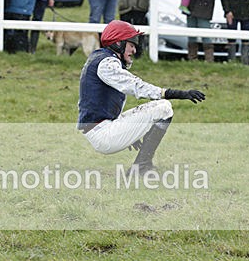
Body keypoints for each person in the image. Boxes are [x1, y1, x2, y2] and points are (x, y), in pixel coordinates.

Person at [77, 20, 206, 177]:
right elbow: (136, 86)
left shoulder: (100, 58)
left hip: (100, 127)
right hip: (102, 134)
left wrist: (132, 132)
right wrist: (177, 93)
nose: (134, 49)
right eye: (131, 44)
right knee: (164, 108)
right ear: (118, 43)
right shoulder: (107, 63)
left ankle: (142, 165)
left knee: (160, 107)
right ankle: (142, 167)